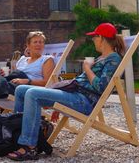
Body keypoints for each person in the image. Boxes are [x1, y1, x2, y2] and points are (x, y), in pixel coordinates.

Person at [7, 23, 125, 161]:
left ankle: (30, 146)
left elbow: (100, 87)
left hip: (83, 101)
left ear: (102, 38)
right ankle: (17, 136)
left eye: (94, 37)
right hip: (74, 95)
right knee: (21, 90)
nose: (93, 40)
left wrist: (87, 68)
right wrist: (58, 98)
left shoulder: (113, 59)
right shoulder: (100, 58)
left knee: (32, 94)